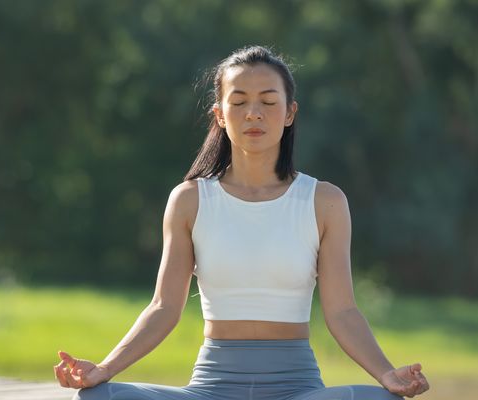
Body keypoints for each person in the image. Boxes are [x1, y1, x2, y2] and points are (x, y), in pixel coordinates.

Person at [53, 45, 430, 400]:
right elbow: (163, 307)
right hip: (211, 389)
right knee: (96, 397)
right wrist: (104, 368)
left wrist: (386, 375)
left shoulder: (324, 202)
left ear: (289, 113)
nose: (254, 113)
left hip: (297, 390)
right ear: (219, 114)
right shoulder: (189, 200)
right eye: (239, 102)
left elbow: (343, 311)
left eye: (268, 101)